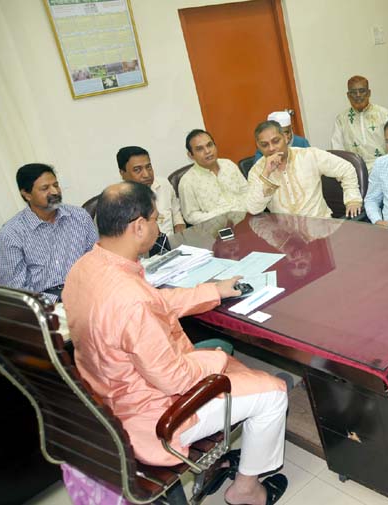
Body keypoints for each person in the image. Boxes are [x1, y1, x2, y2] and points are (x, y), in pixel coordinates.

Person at [62, 182, 289, 505]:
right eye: (156, 218)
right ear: (138, 226)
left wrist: (213, 291)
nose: (159, 224)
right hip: (154, 417)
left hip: (107, 403)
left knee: (229, 365)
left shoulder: (84, 268)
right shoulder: (130, 298)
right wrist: (215, 358)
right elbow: (175, 378)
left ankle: (216, 464)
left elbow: (154, 303)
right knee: (273, 392)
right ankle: (246, 491)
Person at [0, 163, 97, 300]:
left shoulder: (79, 216)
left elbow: (97, 258)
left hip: (88, 290)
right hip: (47, 303)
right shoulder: (10, 234)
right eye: (45, 188)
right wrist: (55, 302)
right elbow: (16, 289)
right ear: (26, 194)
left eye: (56, 185)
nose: (55, 192)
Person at [247, 120, 362, 218]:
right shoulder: (257, 171)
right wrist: (266, 173)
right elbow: (254, 209)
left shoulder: (309, 155)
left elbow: (346, 168)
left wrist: (353, 200)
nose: (271, 148)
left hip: (320, 228)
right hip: (285, 236)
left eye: (276, 141)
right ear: (258, 146)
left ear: (286, 138)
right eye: (264, 145)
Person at [178, 129, 248, 225]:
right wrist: (222, 217)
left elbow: (246, 191)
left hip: (246, 219)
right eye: (199, 149)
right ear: (191, 155)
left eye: (209, 145)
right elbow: (191, 216)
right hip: (216, 230)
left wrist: (242, 210)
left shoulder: (229, 165)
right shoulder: (187, 182)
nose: (207, 151)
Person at [117, 146, 185, 235]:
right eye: (137, 170)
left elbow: (176, 214)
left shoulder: (163, 184)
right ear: (123, 173)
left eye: (148, 167)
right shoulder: (115, 203)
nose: (146, 174)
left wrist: (180, 236)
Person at [331, 75, 388, 172]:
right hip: (355, 172)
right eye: (353, 92)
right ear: (348, 95)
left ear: (369, 93)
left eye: (362, 91)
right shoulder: (341, 119)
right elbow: (337, 151)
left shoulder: (383, 114)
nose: (358, 95)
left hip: (383, 168)